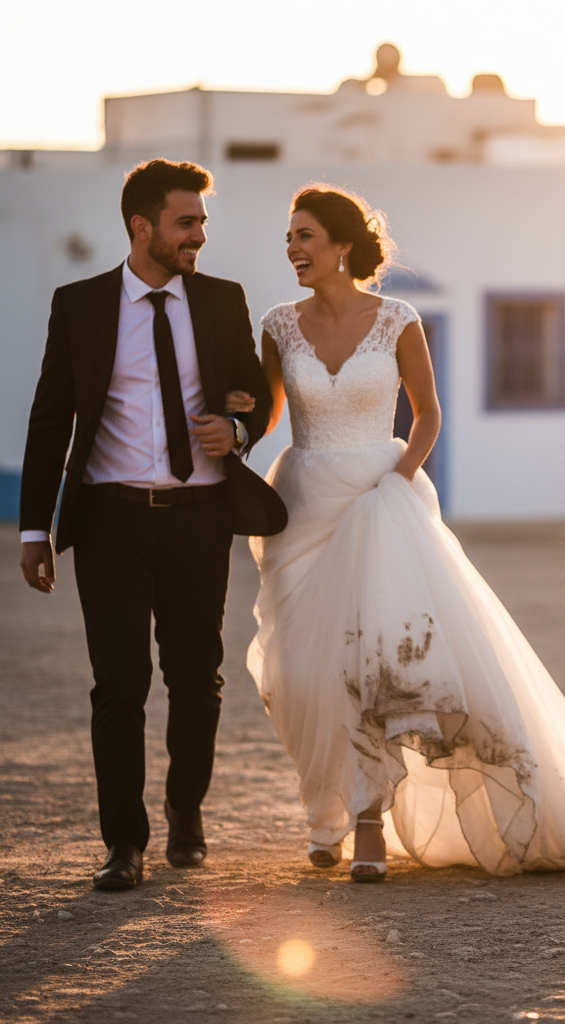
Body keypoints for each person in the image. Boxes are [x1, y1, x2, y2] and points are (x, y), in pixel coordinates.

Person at [233, 184, 565, 880]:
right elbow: (267, 412)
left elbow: (428, 414)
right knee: (306, 670)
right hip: (304, 506)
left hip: (382, 497)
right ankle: (327, 810)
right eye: (288, 238)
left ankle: (369, 823)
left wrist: (400, 477)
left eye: (304, 236)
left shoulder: (398, 318)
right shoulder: (280, 325)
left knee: (377, 664)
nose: (292, 249)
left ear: (341, 245)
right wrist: (232, 418)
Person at [19, 159, 281, 890]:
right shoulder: (81, 305)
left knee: (197, 681)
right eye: (186, 222)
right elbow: (50, 417)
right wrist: (34, 530)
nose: (200, 233)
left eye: (201, 220)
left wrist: (238, 426)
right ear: (143, 228)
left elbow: (255, 396)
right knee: (120, 682)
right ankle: (123, 843)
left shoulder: (224, 300)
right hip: (110, 522)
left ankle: (185, 815)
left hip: (199, 520)